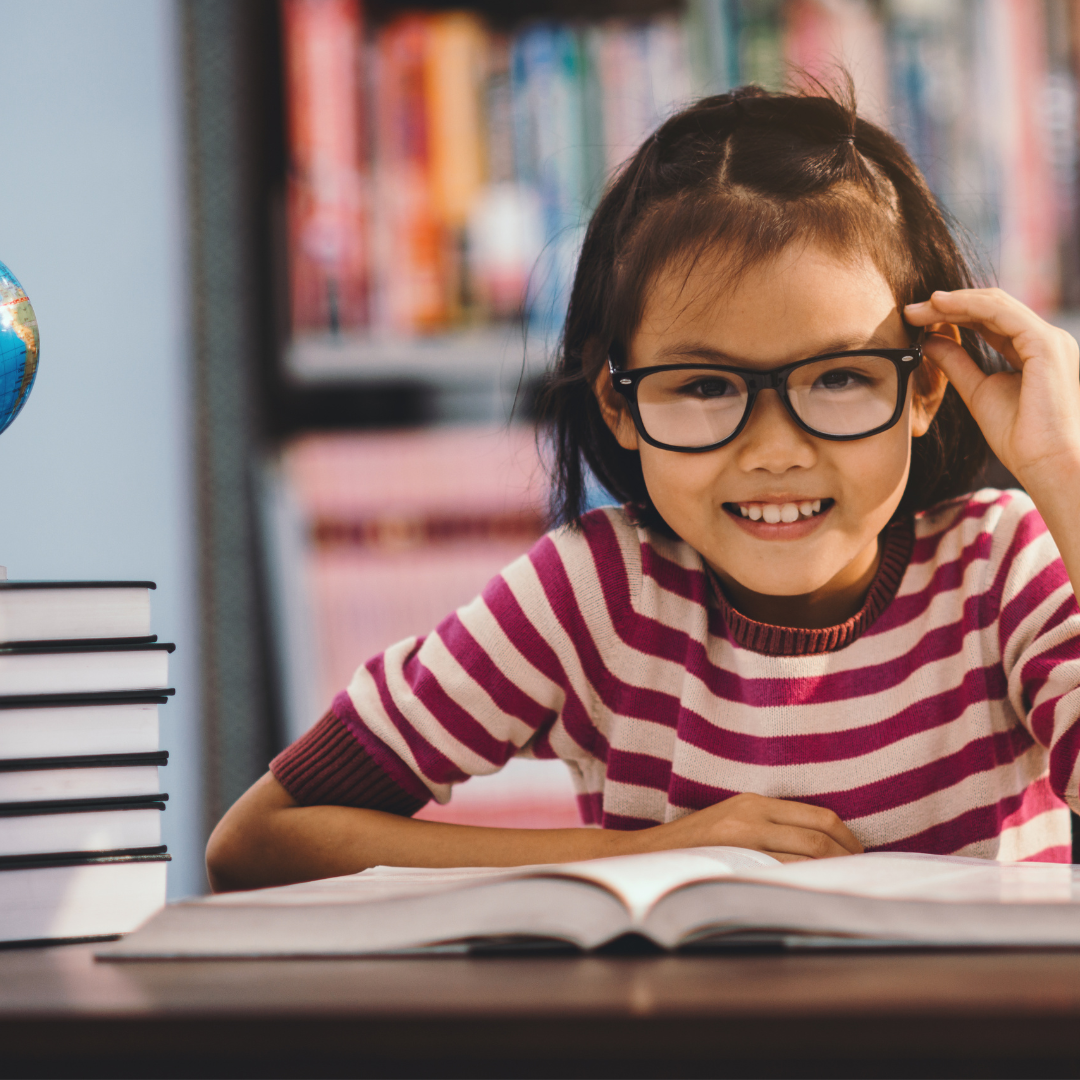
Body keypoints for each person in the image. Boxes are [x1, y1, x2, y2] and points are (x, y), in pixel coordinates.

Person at [206, 84, 1080, 893]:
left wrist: (1063, 471)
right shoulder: (597, 595)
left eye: (840, 379)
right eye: (704, 388)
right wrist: (649, 854)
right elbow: (260, 843)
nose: (776, 452)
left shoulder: (1000, 570)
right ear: (618, 409)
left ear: (926, 386)